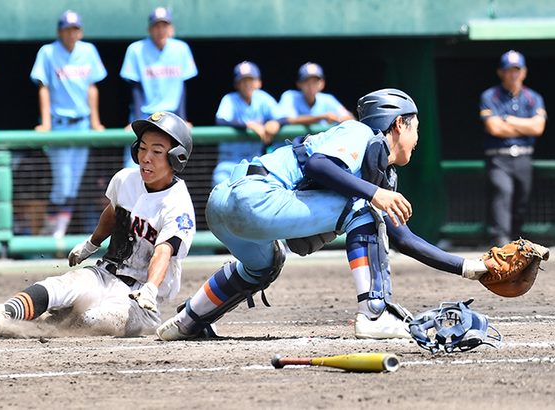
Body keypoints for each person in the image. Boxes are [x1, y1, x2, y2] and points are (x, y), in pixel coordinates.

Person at [155, 88, 490, 342]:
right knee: (363, 207)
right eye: (415, 128)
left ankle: (189, 320)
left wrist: (469, 268)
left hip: (225, 207)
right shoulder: (359, 134)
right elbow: (318, 165)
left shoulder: (379, 174)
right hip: (254, 196)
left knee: (264, 264)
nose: (417, 139)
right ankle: (374, 313)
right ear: (399, 123)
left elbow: (403, 238)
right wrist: (374, 194)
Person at [0, 112, 196, 339]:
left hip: (140, 299)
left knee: (93, 319)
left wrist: (151, 289)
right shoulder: (125, 179)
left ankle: (48, 321)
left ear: (177, 157)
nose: (146, 157)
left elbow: (163, 252)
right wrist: (91, 244)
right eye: (142, 148)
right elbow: (112, 213)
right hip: (105, 274)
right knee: (59, 286)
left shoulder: (178, 204)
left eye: (156, 151)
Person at [30, 10, 107, 238]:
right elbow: (42, 87)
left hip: (82, 124)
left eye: (74, 29)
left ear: (80, 31)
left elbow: (92, 87)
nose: (70, 34)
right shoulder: (48, 52)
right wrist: (45, 123)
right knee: (63, 182)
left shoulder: (88, 51)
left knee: (73, 183)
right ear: (59, 31)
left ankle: (55, 231)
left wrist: (95, 121)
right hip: (59, 124)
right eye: (66, 29)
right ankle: (54, 232)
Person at [479, 50, 547, 246]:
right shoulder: (490, 96)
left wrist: (508, 120)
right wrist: (525, 126)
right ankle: (501, 244)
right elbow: (494, 128)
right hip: (498, 158)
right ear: (501, 72)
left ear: (524, 72)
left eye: (517, 70)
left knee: (521, 203)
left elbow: (538, 127)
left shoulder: (533, 97)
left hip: (524, 158)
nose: (513, 74)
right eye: (509, 70)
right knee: (503, 192)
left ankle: (516, 244)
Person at [120, 6, 197, 168]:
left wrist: (182, 118)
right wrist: (137, 118)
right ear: (149, 29)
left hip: (172, 118)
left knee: (169, 166)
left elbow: (181, 87)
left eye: (164, 25)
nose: (160, 30)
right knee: (134, 167)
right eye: (156, 26)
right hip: (146, 116)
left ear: (171, 28)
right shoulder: (136, 50)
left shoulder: (181, 49)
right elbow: (135, 88)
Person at [212, 61, 283, 187]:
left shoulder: (263, 98)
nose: (247, 84)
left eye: (251, 80)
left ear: (258, 82)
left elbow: (283, 118)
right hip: (228, 162)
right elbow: (221, 120)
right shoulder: (230, 99)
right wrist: (247, 125)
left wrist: (275, 122)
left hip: (254, 162)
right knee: (219, 191)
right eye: (243, 81)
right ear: (236, 84)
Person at [278, 62, 354, 126]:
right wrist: (321, 117)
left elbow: (350, 118)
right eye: (306, 82)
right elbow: (286, 120)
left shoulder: (328, 99)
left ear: (322, 84)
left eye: (315, 82)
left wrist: (340, 119)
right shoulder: (290, 96)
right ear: (299, 84)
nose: (311, 86)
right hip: (291, 142)